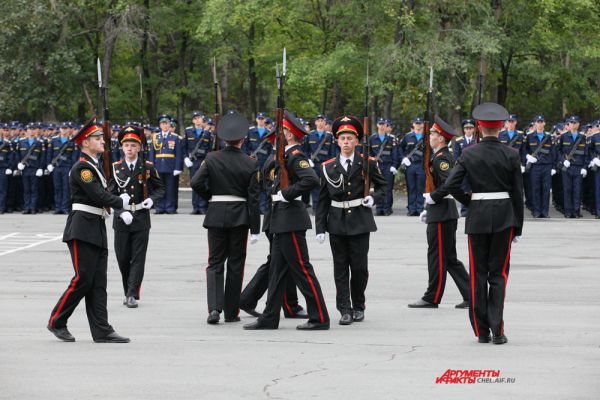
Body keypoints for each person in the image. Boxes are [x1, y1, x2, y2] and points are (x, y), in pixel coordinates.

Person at [441, 102, 524, 345]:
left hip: (477, 217)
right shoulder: (511, 154)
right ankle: (498, 330)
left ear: (478, 127)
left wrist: (470, 201)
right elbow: (518, 195)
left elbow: (450, 185)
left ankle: (481, 330)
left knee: (478, 273)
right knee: (498, 275)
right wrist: (517, 226)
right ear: (500, 128)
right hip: (504, 218)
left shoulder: (468, 153)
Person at [244, 111, 330, 330]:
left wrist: (287, 193)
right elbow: (266, 179)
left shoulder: (296, 156)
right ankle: (270, 316)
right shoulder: (280, 156)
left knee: (302, 269)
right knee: (276, 272)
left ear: (290, 135)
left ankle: (320, 317)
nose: (275, 136)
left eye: (280, 133)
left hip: (290, 219)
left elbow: (311, 179)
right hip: (278, 219)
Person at [47, 117, 131, 343]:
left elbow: (103, 193)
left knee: (98, 283)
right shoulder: (83, 167)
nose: (102, 141)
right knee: (83, 279)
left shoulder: (94, 166)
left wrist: (115, 200)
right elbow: (97, 195)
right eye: (97, 138)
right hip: (82, 227)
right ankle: (57, 320)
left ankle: (102, 329)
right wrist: (120, 203)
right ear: (85, 142)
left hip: (96, 227)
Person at [191, 112, 261, 324]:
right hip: (240, 216)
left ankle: (214, 309)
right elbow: (254, 198)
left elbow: (195, 183)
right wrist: (256, 227)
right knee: (236, 264)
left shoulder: (212, 158)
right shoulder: (250, 163)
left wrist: (211, 198)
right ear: (242, 139)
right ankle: (232, 312)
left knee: (215, 263)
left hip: (216, 214)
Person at [315, 115, 386, 325]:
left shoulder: (368, 163)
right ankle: (344, 309)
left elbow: (383, 187)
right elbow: (322, 199)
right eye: (342, 138)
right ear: (337, 141)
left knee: (359, 268)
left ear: (356, 141)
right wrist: (320, 227)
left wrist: (373, 198)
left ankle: (359, 306)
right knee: (340, 268)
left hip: (360, 221)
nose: (346, 142)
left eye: (350, 138)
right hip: (336, 222)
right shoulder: (327, 167)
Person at [408, 115, 470, 310]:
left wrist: (434, 197)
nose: (430, 136)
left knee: (437, 257)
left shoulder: (442, 159)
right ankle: (473, 296)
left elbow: (450, 184)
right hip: (441, 212)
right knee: (450, 259)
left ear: (441, 138)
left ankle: (431, 297)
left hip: (443, 214)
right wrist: (429, 208)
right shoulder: (438, 156)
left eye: (433, 133)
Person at [239, 145, 308, 319]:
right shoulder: (278, 160)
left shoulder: (274, 158)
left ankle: (248, 299)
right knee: (284, 262)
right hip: (279, 216)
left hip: (276, 216)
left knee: (278, 262)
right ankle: (290, 306)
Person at [108, 125, 165, 308]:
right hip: (122, 219)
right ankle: (127, 290)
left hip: (141, 217)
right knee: (123, 258)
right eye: (127, 146)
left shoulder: (147, 167)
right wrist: (120, 211)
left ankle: (132, 294)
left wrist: (152, 200)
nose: (130, 149)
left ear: (139, 147)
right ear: (122, 148)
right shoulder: (115, 168)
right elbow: (109, 194)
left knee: (138, 258)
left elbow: (160, 188)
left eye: (133, 145)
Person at [148, 114, 183, 214]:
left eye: (166, 123)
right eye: (163, 123)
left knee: (170, 188)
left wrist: (178, 167)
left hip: (170, 166)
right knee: (158, 188)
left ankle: (169, 207)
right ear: (160, 125)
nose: (165, 125)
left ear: (169, 124)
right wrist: (151, 167)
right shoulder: (155, 137)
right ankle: (159, 207)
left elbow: (178, 154)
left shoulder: (175, 137)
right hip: (158, 166)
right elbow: (152, 154)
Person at [523, 115, 556, 218]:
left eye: (542, 121)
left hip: (546, 166)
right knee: (535, 189)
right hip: (535, 167)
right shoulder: (529, 136)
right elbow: (524, 150)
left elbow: (553, 153)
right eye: (538, 122)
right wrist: (527, 157)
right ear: (535, 123)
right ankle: (536, 211)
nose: (540, 123)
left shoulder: (550, 137)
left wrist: (554, 167)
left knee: (546, 190)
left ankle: (545, 211)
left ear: (544, 123)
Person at [303, 114, 336, 214]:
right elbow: (305, 151)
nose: (320, 122)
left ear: (325, 122)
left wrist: (331, 165)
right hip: (314, 165)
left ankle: (324, 207)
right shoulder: (310, 135)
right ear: (316, 122)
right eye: (318, 120)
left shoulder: (329, 136)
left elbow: (333, 152)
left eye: (322, 120)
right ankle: (315, 208)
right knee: (315, 186)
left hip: (325, 165)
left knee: (326, 186)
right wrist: (308, 160)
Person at [558, 116, 588, 218]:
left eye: (575, 122)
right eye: (571, 122)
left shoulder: (583, 138)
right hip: (567, 167)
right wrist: (563, 160)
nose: (573, 124)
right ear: (568, 124)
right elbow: (558, 151)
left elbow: (586, 154)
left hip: (578, 167)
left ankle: (576, 211)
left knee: (577, 190)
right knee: (567, 189)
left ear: (578, 124)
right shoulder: (563, 136)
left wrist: (585, 167)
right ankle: (568, 211)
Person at [243, 112, 273, 214]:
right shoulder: (250, 131)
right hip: (252, 163)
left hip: (265, 164)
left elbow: (271, 149)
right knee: (252, 185)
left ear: (265, 120)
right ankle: (253, 207)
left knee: (264, 186)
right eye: (259, 118)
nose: (260, 120)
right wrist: (248, 156)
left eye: (262, 118)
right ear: (256, 120)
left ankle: (263, 207)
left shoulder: (269, 132)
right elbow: (245, 146)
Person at [183, 111, 212, 214]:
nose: (197, 120)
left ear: (202, 119)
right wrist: (185, 158)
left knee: (204, 183)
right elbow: (184, 147)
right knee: (194, 183)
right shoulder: (188, 131)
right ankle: (195, 207)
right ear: (193, 121)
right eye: (195, 118)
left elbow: (210, 149)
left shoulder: (207, 133)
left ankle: (203, 206)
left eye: (199, 118)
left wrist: (207, 161)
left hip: (204, 161)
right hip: (193, 161)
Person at [47, 123, 79, 214]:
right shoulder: (54, 140)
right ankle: (58, 207)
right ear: (60, 129)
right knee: (57, 187)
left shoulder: (72, 141)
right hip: (56, 167)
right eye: (63, 128)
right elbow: (49, 153)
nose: (64, 130)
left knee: (66, 188)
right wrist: (48, 164)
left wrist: (72, 169)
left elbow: (74, 157)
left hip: (67, 167)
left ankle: (65, 207)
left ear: (69, 130)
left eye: (66, 128)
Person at [371, 117, 399, 215]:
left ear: (386, 126)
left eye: (384, 124)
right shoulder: (372, 138)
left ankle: (386, 208)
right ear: (377, 125)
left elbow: (394, 153)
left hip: (388, 166)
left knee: (387, 188)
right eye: (380, 124)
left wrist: (394, 166)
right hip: (377, 167)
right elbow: (370, 153)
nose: (382, 126)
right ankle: (379, 208)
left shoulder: (391, 139)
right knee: (378, 187)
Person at [452, 119, 477, 217]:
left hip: (474, 169)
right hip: (464, 168)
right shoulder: (459, 141)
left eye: (470, 128)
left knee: (474, 189)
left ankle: (473, 209)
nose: (468, 130)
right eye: (466, 128)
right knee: (464, 189)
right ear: (464, 129)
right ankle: (464, 210)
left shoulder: (477, 141)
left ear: (474, 129)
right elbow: (456, 156)